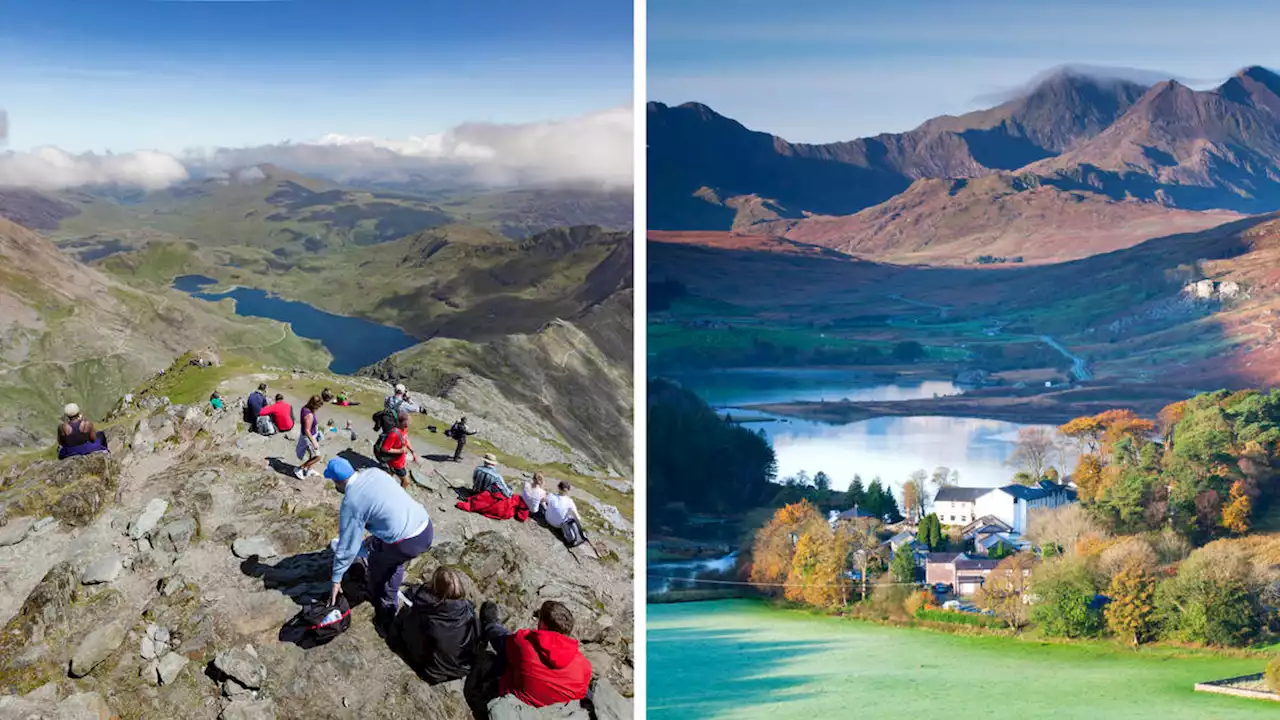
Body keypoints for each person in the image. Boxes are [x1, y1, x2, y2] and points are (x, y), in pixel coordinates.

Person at [326, 458, 434, 633]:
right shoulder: (374, 473)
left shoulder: (351, 502)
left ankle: (385, 606)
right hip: (425, 526)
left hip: (406, 542)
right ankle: (390, 586)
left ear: (336, 481)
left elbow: (347, 546)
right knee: (380, 550)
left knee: (379, 565)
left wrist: (336, 579)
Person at [479, 599, 592, 708]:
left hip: (519, 706)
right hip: (558, 711)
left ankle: (490, 625)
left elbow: (507, 645)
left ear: (543, 625)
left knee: (505, 641)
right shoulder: (584, 665)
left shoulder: (524, 641)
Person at [396, 566, 477, 684]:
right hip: (463, 667)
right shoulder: (468, 609)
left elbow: (411, 631)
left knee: (405, 619)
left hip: (433, 672)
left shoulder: (428, 610)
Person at [378, 410, 419, 488]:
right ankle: (400, 495)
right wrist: (400, 451)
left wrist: (412, 451)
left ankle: (382, 486)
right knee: (406, 482)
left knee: (389, 475)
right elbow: (384, 449)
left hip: (400, 460)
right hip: (396, 463)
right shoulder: (393, 434)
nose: (409, 423)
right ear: (401, 422)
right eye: (407, 421)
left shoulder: (403, 429)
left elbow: (406, 439)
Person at [294, 395, 325, 480]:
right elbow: (307, 430)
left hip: (309, 435)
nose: (318, 408)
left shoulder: (304, 408)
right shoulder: (309, 415)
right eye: (318, 406)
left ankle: (309, 470)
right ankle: (300, 468)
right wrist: (314, 442)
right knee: (317, 456)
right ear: (314, 405)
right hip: (309, 437)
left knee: (312, 455)